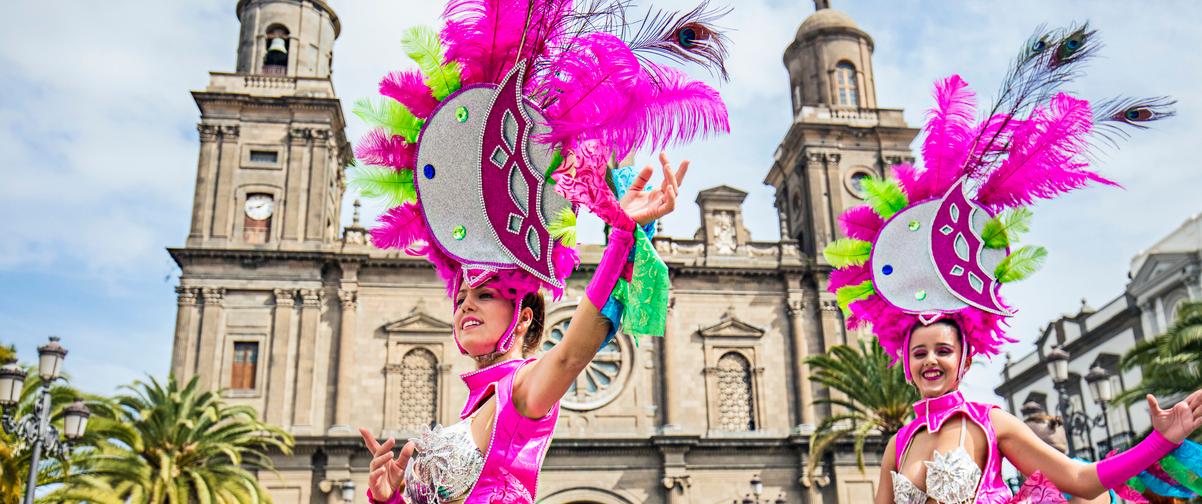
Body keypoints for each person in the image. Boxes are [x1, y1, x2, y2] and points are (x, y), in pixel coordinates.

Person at [347, 0, 731, 502]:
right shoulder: (472, 404)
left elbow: (572, 355)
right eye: (463, 297)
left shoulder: (524, 390)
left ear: (524, 319)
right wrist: (390, 497)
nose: (465, 305)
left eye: (484, 296)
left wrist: (620, 235)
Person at [816, 22, 1202, 504]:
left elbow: (1081, 480)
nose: (931, 360)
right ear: (905, 364)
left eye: (941, 350)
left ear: (965, 357)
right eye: (920, 353)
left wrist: (1161, 440)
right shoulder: (900, 443)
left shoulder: (990, 422)